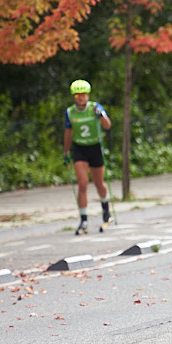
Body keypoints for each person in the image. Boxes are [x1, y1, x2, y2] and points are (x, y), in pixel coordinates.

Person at [63, 79, 112, 235]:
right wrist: (66, 152)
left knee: (99, 184)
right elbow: (68, 133)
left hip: (95, 147)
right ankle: (83, 219)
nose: (80, 98)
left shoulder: (95, 108)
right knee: (82, 184)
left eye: (83, 94)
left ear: (88, 95)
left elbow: (107, 125)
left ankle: (106, 209)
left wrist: (101, 116)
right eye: (77, 95)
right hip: (80, 149)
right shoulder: (70, 112)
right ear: (73, 97)